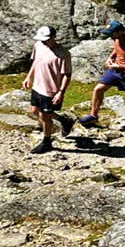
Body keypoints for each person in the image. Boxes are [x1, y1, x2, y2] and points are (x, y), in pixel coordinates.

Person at [79, 20, 125, 131]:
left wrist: (120, 67)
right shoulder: (115, 38)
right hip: (116, 70)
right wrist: (110, 58)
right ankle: (93, 116)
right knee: (98, 89)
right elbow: (117, 49)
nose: (110, 35)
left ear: (120, 31)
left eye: (112, 33)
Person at [22, 25, 74, 154]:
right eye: (42, 40)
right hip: (37, 86)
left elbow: (67, 74)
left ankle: (47, 141)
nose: (44, 42)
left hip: (51, 90)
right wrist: (28, 77)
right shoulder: (38, 45)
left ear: (53, 38)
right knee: (34, 111)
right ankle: (64, 120)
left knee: (44, 115)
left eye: (46, 40)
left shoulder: (63, 54)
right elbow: (36, 61)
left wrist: (61, 92)